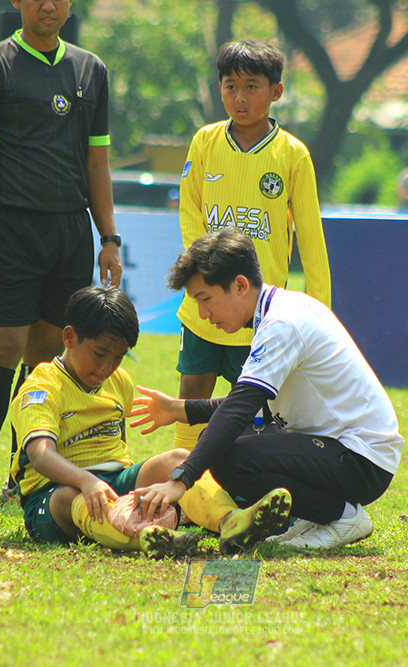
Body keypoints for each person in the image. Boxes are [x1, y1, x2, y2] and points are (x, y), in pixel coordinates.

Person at [130, 227, 403, 550]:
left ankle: (341, 516)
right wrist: (180, 410)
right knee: (229, 439)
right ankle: (318, 514)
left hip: (361, 460)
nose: (203, 315)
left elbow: (242, 406)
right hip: (344, 451)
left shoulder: (282, 324)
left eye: (205, 299)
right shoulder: (279, 311)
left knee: (228, 457)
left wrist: (182, 479)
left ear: (240, 285)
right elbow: (250, 405)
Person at [0, 0, 123, 508]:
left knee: (48, 361)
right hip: (11, 231)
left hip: (70, 232)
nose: (48, 5)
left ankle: (21, 476)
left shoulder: (91, 70)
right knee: (1, 349)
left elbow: (97, 163)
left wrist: (109, 237)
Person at [9, 285, 292, 558]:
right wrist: (86, 480)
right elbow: (41, 455)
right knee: (71, 498)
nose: (107, 367)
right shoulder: (42, 387)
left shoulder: (119, 382)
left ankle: (233, 522)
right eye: (99, 354)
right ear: (69, 337)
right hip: (55, 494)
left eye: (118, 358)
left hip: (115, 481)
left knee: (178, 459)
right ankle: (145, 538)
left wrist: (123, 490)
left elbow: (116, 447)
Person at [174, 39, 331, 459]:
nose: (239, 98)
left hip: (261, 315)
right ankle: (185, 489)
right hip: (204, 307)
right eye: (229, 86)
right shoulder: (205, 141)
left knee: (251, 409)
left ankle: (237, 488)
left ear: (275, 91)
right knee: (192, 391)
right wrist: (204, 272)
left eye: (251, 86)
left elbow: (312, 241)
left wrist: (318, 313)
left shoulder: (293, 155)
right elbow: (189, 211)